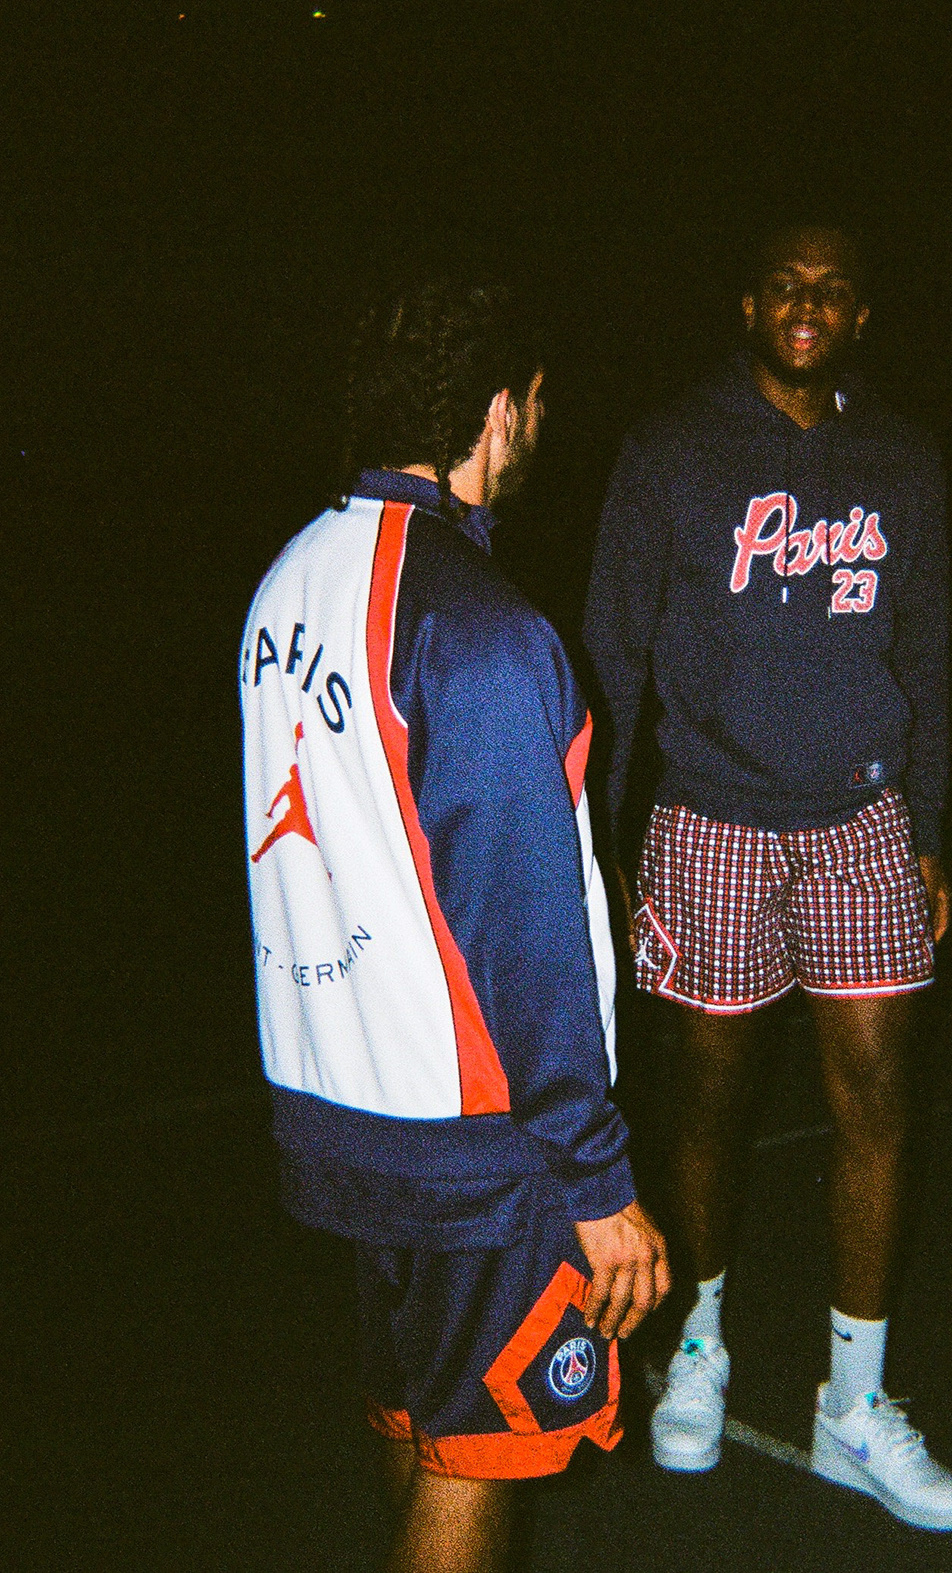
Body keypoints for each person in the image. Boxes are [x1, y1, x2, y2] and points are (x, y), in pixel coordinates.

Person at [243, 273, 669, 1573]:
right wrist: (596, 1181)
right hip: (473, 1142)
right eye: (534, 404)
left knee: (421, 1417)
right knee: (479, 1453)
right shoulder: (482, 629)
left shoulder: (287, 579)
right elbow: (521, 923)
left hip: (338, 1104)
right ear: (498, 411)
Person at [580, 223, 952, 1529]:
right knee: (708, 1105)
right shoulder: (672, 448)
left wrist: (926, 826)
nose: (809, 303)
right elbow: (610, 646)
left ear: (861, 317)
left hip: (863, 818)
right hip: (710, 816)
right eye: (788, 284)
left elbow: (926, 650)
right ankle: (698, 1346)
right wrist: (599, 839)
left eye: (835, 289)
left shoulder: (901, 457)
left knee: (879, 1104)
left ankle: (852, 1403)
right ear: (748, 303)